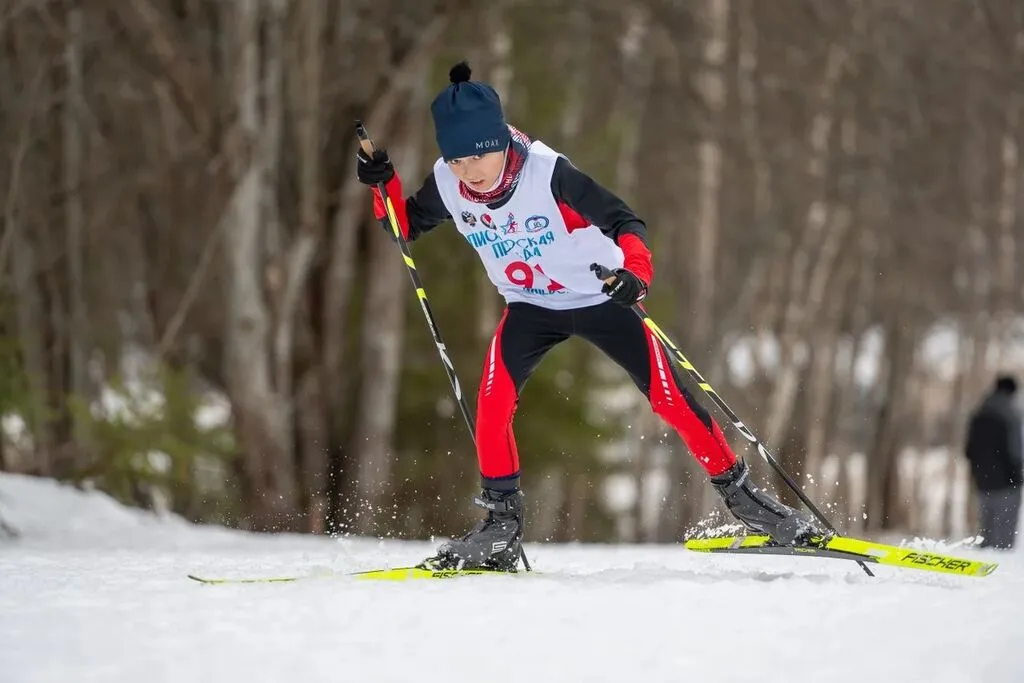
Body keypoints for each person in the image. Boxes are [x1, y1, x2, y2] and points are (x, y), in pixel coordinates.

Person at [355, 61, 823, 570]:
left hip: (601, 297)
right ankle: (500, 529)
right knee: (493, 403)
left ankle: (750, 506)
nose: (469, 170)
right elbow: (403, 227)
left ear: (500, 141)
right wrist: (384, 185)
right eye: (457, 159)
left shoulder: (547, 173)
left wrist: (636, 274)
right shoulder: (449, 183)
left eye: (478, 156)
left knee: (670, 399)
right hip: (530, 306)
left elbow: (625, 221)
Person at [964, 375, 1023, 549]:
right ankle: (998, 564)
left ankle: (982, 561)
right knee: (1003, 538)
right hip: (1007, 483)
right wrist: (1017, 475)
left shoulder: (979, 412)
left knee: (986, 532)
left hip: (982, 482)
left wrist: (979, 471)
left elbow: (968, 450)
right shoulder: (1011, 414)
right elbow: (1016, 451)